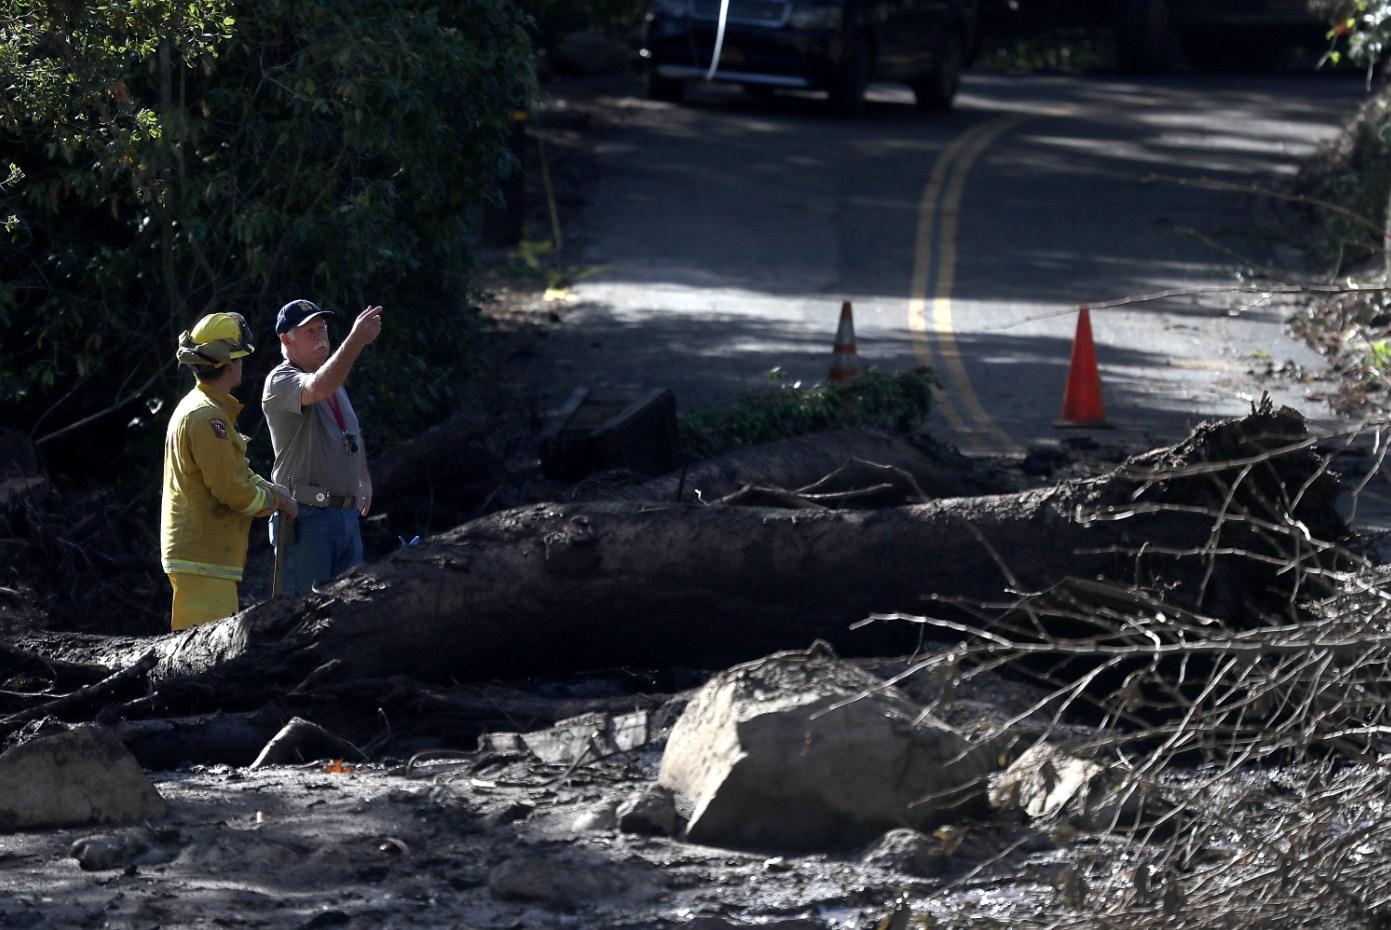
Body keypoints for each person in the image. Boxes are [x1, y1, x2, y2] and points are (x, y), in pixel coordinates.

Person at [161, 312, 298, 631]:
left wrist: (273, 490)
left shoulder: (204, 409)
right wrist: (276, 502)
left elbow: (237, 472)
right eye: (241, 357)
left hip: (204, 558)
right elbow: (233, 490)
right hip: (202, 558)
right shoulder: (209, 418)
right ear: (231, 364)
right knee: (201, 662)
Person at [262, 299, 383, 595]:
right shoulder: (281, 380)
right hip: (308, 518)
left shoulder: (334, 381)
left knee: (347, 618)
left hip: (346, 518)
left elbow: (352, 431)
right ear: (285, 340)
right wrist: (355, 341)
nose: (320, 335)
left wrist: (363, 478)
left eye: (322, 328)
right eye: (309, 331)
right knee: (301, 620)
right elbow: (316, 387)